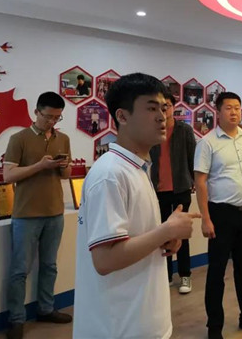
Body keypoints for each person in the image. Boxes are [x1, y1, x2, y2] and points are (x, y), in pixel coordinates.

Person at [73, 73, 200, 339]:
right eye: (151, 109)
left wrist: (163, 238)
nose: (162, 117)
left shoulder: (137, 168)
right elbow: (105, 260)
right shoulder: (110, 174)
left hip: (143, 320)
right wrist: (165, 231)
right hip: (119, 327)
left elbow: (134, 238)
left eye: (163, 108)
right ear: (122, 116)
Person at [195, 92, 242, 339]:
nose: (234, 112)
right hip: (221, 214)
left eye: (237, 108)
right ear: (218, 112)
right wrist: (206, 218)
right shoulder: (207, 143)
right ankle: (214, 326)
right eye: (228, 108)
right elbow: (200, 182)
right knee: (217, 272)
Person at [3, 92, 73, 339]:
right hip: (26, 214)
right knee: (19, 270)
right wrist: (40, 166)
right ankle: (16, 319)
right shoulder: (18, 138)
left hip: (55, 212)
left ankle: (45, 309)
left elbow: (66, 176)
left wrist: (64, 167)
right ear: (36, 112)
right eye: (48, 116)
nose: (52, 122)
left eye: (57, 117)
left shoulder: (63, 138)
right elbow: (8, 176)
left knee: (49, 265)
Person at [150, 92, 197, 293]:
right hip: (158, 190)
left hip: (181, 188)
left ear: (173, 107)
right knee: (163, 234)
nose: (164, 110)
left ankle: (185, 275)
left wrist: (194, 181)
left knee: (181, 234)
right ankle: (166, 275)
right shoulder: (153, 129)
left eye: (167, 105)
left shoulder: (184, 130)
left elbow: (193, 157)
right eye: (160, 106)